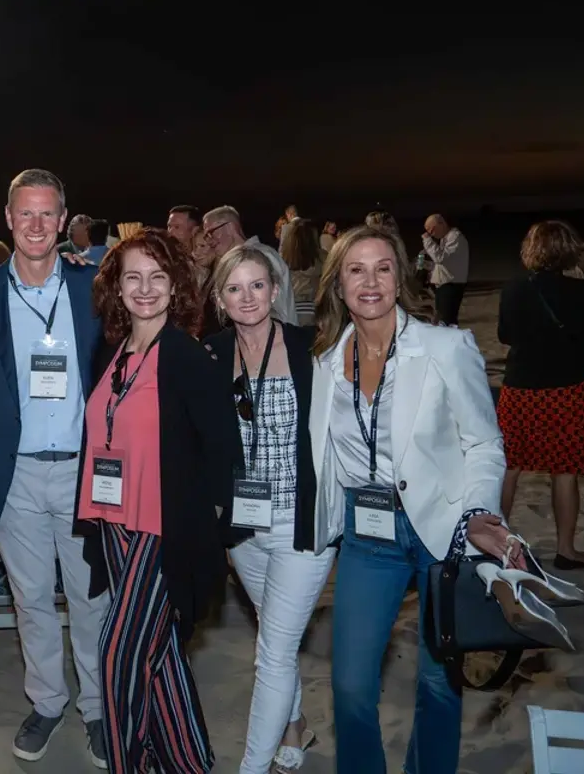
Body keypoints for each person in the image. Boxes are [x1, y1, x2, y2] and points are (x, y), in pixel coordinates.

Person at [311, 225, 517, 774]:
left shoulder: (446, 348)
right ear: (338, 284)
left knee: (438, 684)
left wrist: (478, 512)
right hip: (366, 536)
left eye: (382, 267)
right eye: (356, 269)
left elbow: (484, 441)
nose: (370, 281)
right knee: (352, 688)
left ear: (401, 276)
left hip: (443, 531)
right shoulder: (325, 366)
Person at [0, 168, 109, 767]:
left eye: (48, 214)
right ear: (8, 219)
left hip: (82, 473)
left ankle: (97, 708)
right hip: (12, 476)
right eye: (26, 213)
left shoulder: (97, 291)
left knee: (91, 599)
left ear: (62, 221)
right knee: (32, 599)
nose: (36, 225)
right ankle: (47, 700)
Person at [75, 230, 237, 772]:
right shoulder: (111, 350)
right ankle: (190, 760)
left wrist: (203, 527)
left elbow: (222, 448)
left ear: (175, 287)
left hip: (161, 530)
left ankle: (130, 763)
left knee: (118, 652)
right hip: (114, 523)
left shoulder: (187, 356)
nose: (145, 288)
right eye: (133, 277)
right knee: (158, 652)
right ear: (117, 288)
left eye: (157, 277)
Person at [204, 246, 329, 773]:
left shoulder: (311, 350)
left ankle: (251, 768)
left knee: (272, 653)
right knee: (273, 631)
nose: (247, 297)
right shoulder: (210, 354)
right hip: (243, 528)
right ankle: (296, 725)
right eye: (235, 288)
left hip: (301, 526)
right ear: (220, 298)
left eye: (257, 285)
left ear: (275, 291)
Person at [496, 220, 584, 569]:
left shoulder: (514, 289)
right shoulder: (582, 293)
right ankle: (566, 549)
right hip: (568, 389)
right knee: (565, 471)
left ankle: (496, 545)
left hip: (521, 388)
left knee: (509, 467)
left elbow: (505, 335)